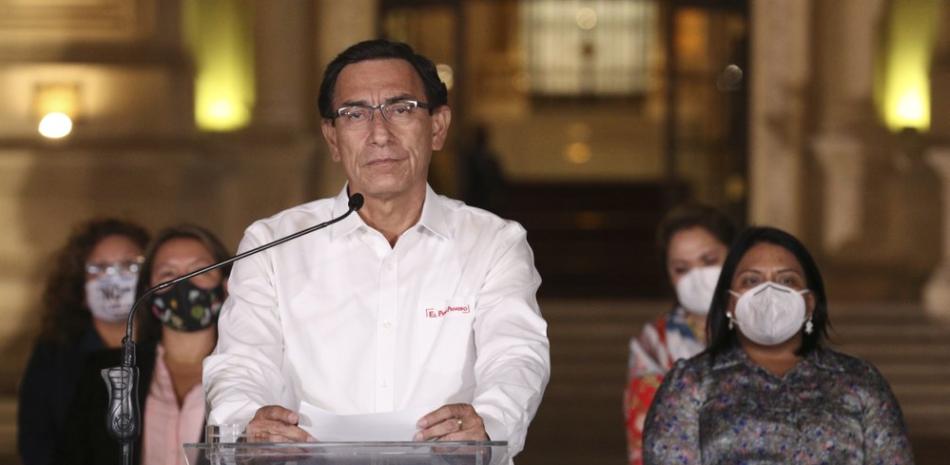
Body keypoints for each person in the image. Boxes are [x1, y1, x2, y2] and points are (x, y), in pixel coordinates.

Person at [203, 39, 550, 458]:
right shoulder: (272, 246)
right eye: (355, 114)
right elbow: (241, 365)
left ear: (437, 127)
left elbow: (516, 356)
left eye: (401, 109)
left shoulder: (493, 242)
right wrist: (246, 423)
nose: (379, 134)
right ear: (332, 138)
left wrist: (489, 425)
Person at [643, 226, 914, 465]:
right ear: (730, 302)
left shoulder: (859, 381)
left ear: (809, 303)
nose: (769, 292)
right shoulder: (690, 384)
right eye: (752, 280)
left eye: (787, 280)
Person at [59, 225, 231, 465]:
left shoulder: (251, 372)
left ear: (225, 286)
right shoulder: (102, 372)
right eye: (168, 273)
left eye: (200, 270)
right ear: (147, 291)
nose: (184, 282)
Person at [18, 218, 149, 465]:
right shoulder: (53, 355)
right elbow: (36, 443)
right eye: (100, 268)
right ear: (80, 287)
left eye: (129, 265)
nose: (115, 279)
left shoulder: (168, 348)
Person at [624, 205, 736, 465]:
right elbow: (647, 437)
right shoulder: (654, 345)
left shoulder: (769, 334)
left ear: (735, 257)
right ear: (669, 275)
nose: (697, 276)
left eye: (708, 261)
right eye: (682, 268)